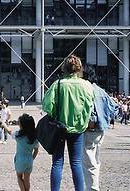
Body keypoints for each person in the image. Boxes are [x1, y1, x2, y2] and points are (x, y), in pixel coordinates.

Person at [41, 54, 94, 191]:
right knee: (76, 162)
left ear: (64, 68)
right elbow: (90, 107)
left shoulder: (57, 85)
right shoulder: (87, 85)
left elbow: (47, 106)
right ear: (79, 68)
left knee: (57, 163)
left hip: (59, 128)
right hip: (78, 129)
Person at [82, 80, 117, 191]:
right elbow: (114, 108)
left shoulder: (88, 90)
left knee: (88, 162)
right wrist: (105, 119)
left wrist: (92, 121)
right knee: (96, 160)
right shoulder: (101, 91)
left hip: (91, 130)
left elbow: (91, 111)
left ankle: (92, 188)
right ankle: (93, 185)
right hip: (101, 130)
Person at [1, 114, 40, 191]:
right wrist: (32, 158)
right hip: (29, 160)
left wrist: (4, 124)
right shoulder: (34, 138)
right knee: (27, 179)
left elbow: (9, 131)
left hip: (19, 160)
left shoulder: (18, 135)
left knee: (19, 177)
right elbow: (36, 150)